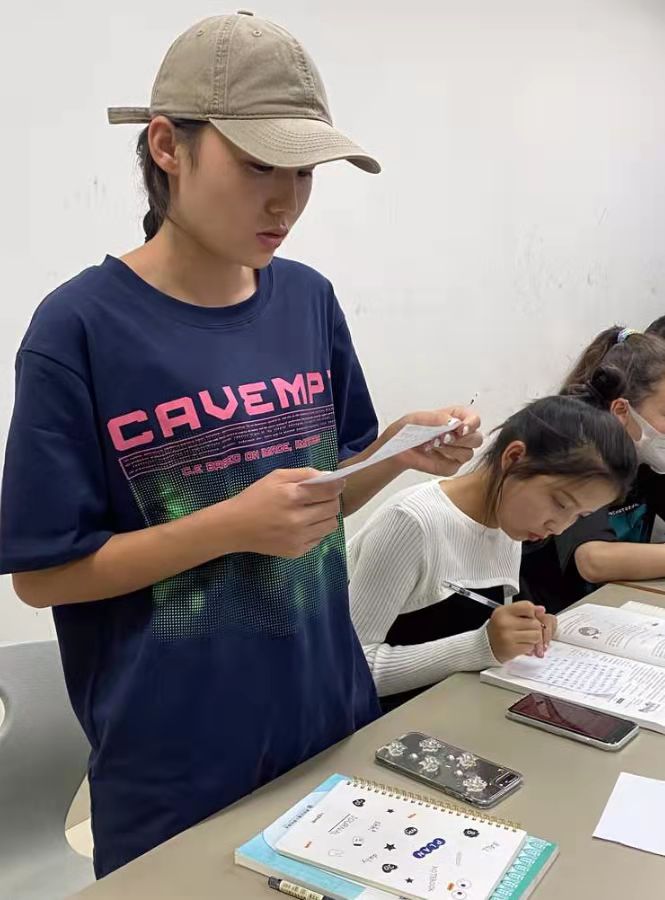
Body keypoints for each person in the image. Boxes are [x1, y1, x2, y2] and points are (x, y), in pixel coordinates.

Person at [0, 13, 480, 877]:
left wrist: (395, 456)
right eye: (258, 164)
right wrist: (228, 526)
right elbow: (44, 575)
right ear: (167, 147)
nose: (285, 200)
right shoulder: (79, 329)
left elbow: (313, 501)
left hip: (325, 707)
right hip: (175, 754)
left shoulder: (306, 300)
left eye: (303, 172)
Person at [348, 396, 636, 712]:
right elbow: (350, 672)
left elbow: (484, 625)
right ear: (513, 458)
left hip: (452, 705)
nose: (559, 526)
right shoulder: (412, 522)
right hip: (383, 721)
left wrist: (524, 630)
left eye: (579, 516)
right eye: (561, 503)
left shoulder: (508, 522)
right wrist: (481, 646)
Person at [521, 326, 665, 610]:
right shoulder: (580, 449)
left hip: (615, 605)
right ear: (621, 410)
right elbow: (593, 560)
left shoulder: (646, 457)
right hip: (557, 614)